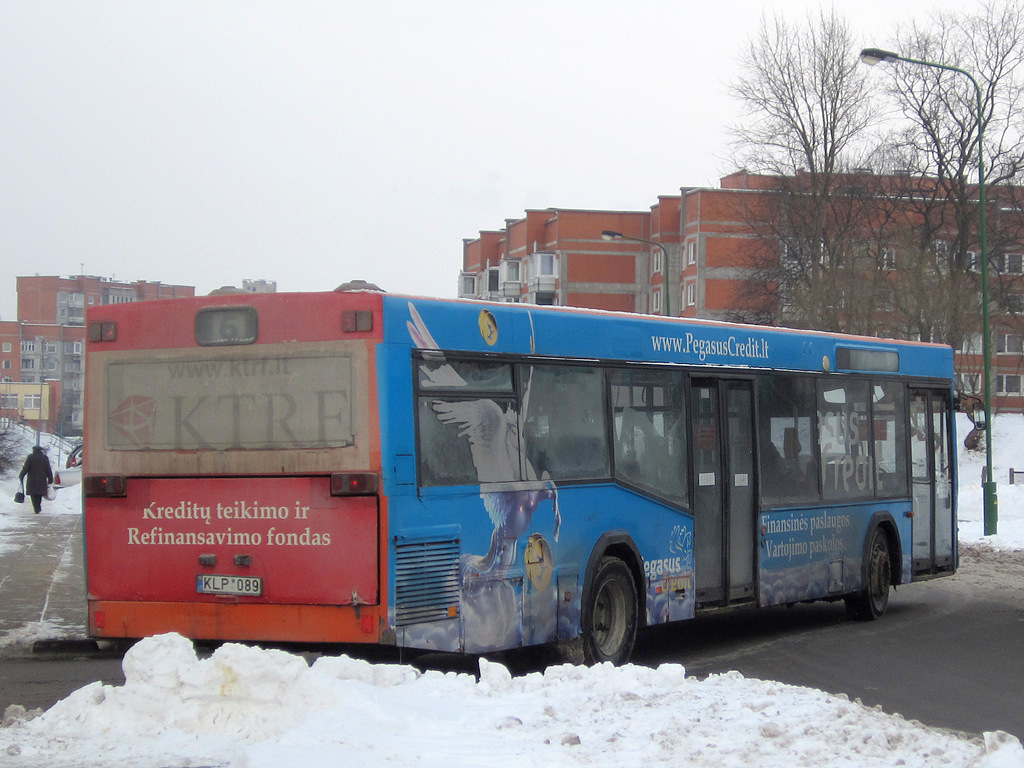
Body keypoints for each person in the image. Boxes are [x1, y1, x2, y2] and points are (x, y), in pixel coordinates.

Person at [19, 445, 53, 514]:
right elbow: (48, 469)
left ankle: (36, 508)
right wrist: (50, 478)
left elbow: (26, 467)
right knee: (39, 494)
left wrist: (21, 475)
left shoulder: (30, 457)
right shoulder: (44, 458)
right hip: (42, 479)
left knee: (33, 494)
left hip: (32, 480)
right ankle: (38, 506)